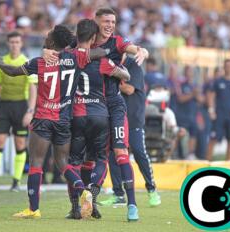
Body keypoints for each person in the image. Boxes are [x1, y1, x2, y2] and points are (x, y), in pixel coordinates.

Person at [43, 7, 149, 222]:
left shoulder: (117, 41)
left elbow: (131, 48)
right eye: (106, 21)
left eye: (113, 21)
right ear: (96, 22)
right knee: (89, 158)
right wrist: (46, 51)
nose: (110, 25)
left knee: (120, 152)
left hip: (114, 105)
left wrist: (141, 50)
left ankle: (131, 205)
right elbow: (54, 47)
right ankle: (83, 202)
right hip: (92, 107)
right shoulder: (80, 42)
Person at [0, 24, 107, 219]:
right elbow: (102, 51)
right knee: (63, 163)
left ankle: (33, 209)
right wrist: (77, 49)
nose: (46, 37)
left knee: (36, 163)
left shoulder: (39, 62)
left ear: (52, 42)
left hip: (43, 119)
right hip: (64, 120)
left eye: (48, 35)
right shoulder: (76, 58)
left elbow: (12, 72)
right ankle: (84, 191)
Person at [66, 19, 131, 220]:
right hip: (100, 115)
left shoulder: (68, 57)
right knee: (99, 159)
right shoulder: (102, 60)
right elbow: (126, 76)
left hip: (76, 116)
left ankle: (76, 208)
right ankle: (92, 196)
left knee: (75, 162)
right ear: (94, 37)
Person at [0, 31, 37, 192]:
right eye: (11, 42)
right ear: (8, 44)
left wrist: (30, 111)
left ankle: (16, 181)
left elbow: (33, 89)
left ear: (21, 44)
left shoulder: (26, 62)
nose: (14, 45)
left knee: (19, 144)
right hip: (4, 106)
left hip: (20, 106)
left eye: (17, 42)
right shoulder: (2, 62)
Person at [100, 57, 161, 208]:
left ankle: (152, 189)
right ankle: (118, 194)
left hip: (133, 118)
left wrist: (109, 83)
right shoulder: (111, 64)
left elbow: (130, 89)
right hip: (117, 118)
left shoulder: (133, 66)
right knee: (114, 155)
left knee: (139, 153)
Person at [175, 66, 199, 160]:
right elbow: (180, 99)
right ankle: (173, 153)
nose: (190, 74)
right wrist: (192, 94)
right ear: (185, 73)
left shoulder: (195, 85)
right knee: (179, 134)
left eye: (191, 72)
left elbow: (201, 99)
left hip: (192, 114)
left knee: (193, 134)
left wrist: (197, 95)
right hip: (182, 115)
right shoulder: (181, 85)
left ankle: (191, 154)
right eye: (188, 71)